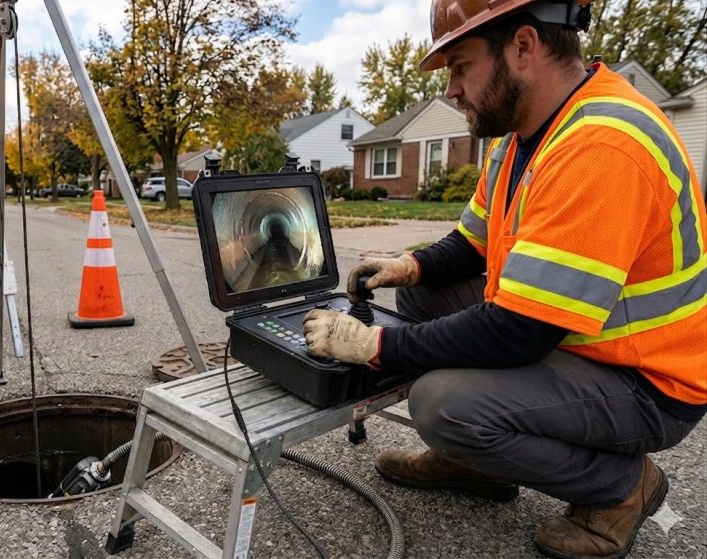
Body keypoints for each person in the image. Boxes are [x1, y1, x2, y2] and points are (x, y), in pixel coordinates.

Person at [301, 1, 706, 557]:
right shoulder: (522, 136)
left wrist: (377, 345)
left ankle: (621, 489)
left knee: (444, 405)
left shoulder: (602, 144)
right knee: (419, 292)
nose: (451, 89)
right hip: (582, 339)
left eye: (461, 65)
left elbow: (520, 330)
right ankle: (483, 464)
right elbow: (473, 243)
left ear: (522, 47)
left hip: (647, 382)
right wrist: (411, 267)